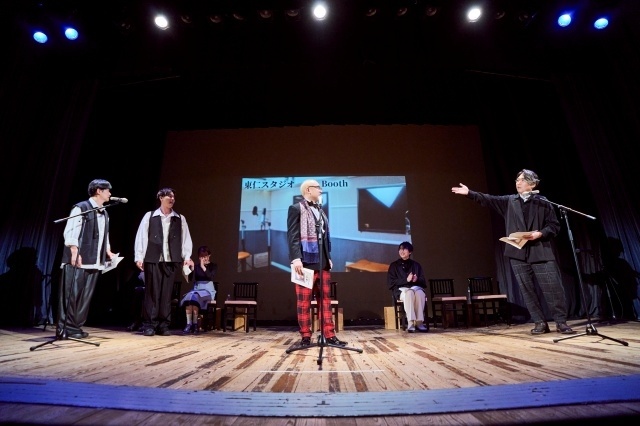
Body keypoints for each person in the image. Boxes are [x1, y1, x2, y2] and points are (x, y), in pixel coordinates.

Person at [451, 169, 575, 335]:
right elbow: (489, 199)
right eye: (517, 180)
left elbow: (554, 226)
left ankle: (561, 322)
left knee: (553, 289)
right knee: (527, 291)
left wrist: (540, 233)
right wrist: (470, 193)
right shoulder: (510, 201)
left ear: (532, 184)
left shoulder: (543, 202)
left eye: (522, 180)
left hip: (540, 252)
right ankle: (539, 323)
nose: (518, 182)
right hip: (518, 253)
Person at [287, 179, 347, 347]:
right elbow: (292, 235)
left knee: (325, 300)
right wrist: (296, 258)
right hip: (305, 262)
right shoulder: (296, 208)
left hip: (322, 263)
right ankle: (305, 336)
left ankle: (329, 335)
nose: (320, 190)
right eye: (318, 187)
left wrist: (328, 257)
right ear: (308, 190)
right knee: (304, 302)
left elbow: (324, 237)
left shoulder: (320, 210)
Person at [57, 179, 116, 339]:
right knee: (72, 295)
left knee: (85, 297)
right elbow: (71, 230)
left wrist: (108, 251)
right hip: (79, 259)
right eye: (108, 190)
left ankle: (76, 326)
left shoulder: (104, 212)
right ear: (99, 190)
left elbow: (105, 234)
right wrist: (74, 250)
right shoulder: (81, 208)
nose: (110, 193)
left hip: (95, 260)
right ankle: (66, 328)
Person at [134, 187, 194, 336]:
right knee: (152, 293)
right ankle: (150, 324)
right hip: (153, 259)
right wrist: (139, 256)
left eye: (173, 196)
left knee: (167, 294)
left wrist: (187, 257)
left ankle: (163, 325)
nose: (172, 199)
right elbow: (141, 236)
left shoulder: (179, 218)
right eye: (169, 196)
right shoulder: (150, 216)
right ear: (161, 198)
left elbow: (185, 238)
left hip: (171, 260)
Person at [387, 241, 428, 332]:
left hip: (415, 288)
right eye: (400, 249)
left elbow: (423, 281)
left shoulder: (416, 265)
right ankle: (410, 322)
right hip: (401, 290)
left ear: (410, 252)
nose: (402, 251)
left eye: (404, 249)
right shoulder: (394, 265)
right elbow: (391, 282)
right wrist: (406, 280)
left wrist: (416, 279)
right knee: (409, 293)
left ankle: (419, 322)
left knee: (420, 293)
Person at [179, 246, 217, 333]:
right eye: (201, 256)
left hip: (208, 291)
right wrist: (192, 268)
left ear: (209, 255)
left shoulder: (213, 266)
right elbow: (190, 279)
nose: (203, 258)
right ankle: (189, 323)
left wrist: (202, 266)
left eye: (205, 256)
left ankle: (195, 324)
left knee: (195, 297)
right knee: (190, 297)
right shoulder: (196, 266)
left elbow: (210, 276)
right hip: (196, 289)